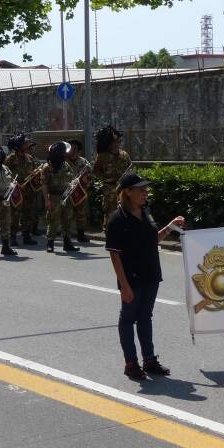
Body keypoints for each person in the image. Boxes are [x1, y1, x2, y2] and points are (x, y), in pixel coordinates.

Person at [105, 172, 185, 381]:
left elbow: (152, 239)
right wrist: (124, 285)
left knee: (145, 317)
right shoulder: (117, 219)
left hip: (151, 274)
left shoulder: (146, 211)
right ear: (128, 192)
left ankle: (149, 360)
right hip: (131, 277)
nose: (145, 192)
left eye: (146, 189)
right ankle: (131, 363)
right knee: (128, 318)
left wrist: (170, 227)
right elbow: (115, 254)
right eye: (141, 189)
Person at [42, 141, 79, 253]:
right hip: (54, 196)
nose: (65, 154)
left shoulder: (66, 165)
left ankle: (67, 243)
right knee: (53, 220)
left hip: (66, 196)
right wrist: (47, 200)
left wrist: (74, 183)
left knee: (67, 219)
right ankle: (50, 243)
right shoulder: (47, 167)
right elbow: (44, 184)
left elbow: (71, 179)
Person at [94, 125, 131, 230]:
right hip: (109, 190)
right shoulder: (102, 156)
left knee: (125, 213)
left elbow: (130, 169)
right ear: (109, 143)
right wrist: (106, 178)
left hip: (124, 190)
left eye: (119, 141)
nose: (117, 144)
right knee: (110, 215)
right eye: (115, 142)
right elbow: (96, 171)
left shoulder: (124, 155)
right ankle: (110, 236)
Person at [4, 134, 39, 245]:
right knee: (15, 214)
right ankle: (13, 237)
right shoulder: (10, 158)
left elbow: (34, 171)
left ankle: (26, 235)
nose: (27, 145)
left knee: (28, 213)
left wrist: (35, 174)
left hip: (29, 190)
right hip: (16, 190)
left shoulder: (29, 158)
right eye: (24, 143)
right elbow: (5, 173)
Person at [67, 139, 92, 242]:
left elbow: (90, 175)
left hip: (80, 192)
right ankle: (66, 237)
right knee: (67, 214)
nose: (72, 151)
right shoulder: (63, 161)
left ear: (79, 151)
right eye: (70, 149)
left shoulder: (83, 162)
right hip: (67, 192)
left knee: (81, 213)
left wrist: (87, 179)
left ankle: (81, 234)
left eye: (74, 149)